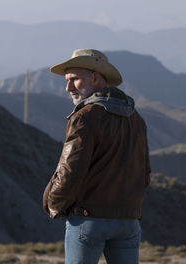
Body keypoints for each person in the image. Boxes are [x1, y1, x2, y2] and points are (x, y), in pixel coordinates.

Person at [43, 49, 151, 264]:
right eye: (67, 80)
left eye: (75, 79)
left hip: (88, 219)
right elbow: (144, 173)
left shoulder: (86, 116)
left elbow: (69, 170)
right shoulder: (136, 118)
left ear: (95, 77)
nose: (68, 87)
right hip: (128, 221)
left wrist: (53, 204)